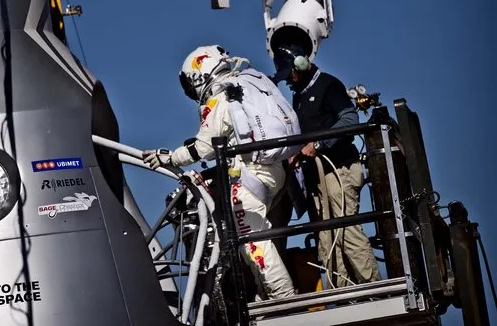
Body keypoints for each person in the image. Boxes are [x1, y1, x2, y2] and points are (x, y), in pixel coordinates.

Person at [142, 45, 301, 301]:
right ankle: (267, 294)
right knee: (253, 240)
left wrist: (169, 158)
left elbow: (203, 147)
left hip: (251, 179)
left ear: (198, 75)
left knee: (254, 243)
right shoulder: (248, 84)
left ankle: (285, 298)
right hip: (274, 171)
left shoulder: (220, 98)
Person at [271, 44, 381, 289]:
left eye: (291, 72)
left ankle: (374, 289)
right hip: (316, 178)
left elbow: (349, 118)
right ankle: (342, 292)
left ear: (301, 64)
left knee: (346, 231)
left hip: (338, 169)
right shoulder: (299, 95)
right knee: (326, 236)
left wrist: (318, 144)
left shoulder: (329, 85)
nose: (289, 79)